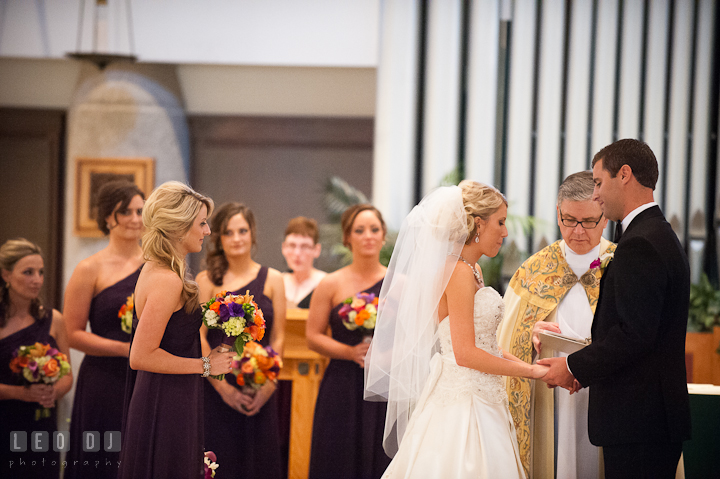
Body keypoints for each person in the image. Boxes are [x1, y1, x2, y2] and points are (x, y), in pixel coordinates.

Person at [365, 181, 549, 479]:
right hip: (464, 402)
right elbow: (465, 354)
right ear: (479, 224)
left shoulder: (472, 269)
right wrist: (530, 373)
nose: (505, 232)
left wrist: (532, 368)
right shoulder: (459, 272)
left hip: (484, 395)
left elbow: (487, 346)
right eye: (500, 222)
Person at [539, 139, 692, 478]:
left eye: (597, 182)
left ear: (624, 175)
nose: (595, 195)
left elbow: (634, 336)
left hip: (639, 422)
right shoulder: (657, 234)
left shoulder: (640, 243)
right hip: (649, 420)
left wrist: (573, 366)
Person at [498, 171, 613, 478]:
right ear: (558, 214)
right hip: (550, 392)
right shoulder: (534, 270)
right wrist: (530, 335)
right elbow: (504, 339)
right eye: (568, 220)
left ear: (605, 217)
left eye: (588, 221)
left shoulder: (623, 264)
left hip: (606, 387)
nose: (577, 231)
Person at [118, 181, 234, 479]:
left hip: (173, 393)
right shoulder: (166, 279)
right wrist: (207, 365)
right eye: (203, 223)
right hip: (164, 400)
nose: (208, 231)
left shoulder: (158, 268)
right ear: (178, 227)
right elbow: (141, 356)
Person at [197, 202, 286, 479]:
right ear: (218, 238)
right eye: (228, 232)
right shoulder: (206, 280)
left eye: (242, 231)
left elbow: (279, 337)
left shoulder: (274, 279)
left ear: (253, 234)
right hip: (215, 390)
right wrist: (221, 387)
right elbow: (197, 336)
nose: (236, 238)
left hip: (259, 387)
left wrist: (268, 385)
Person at [64, 180, 145, 479]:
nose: (136, 219)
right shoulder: (89, 269)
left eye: (140, 211)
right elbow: (72, 333)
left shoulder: (155, 265)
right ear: (108, 217)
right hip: (102, 379)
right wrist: (124, 349)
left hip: (142, 377)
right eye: (127, 212)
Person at [306, 203, 391, 479]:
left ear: (383, 236)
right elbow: (313, 336)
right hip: (341, 384)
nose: (368, 235)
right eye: (360, 230)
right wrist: (350, 351)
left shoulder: (399, 282)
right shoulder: (330, 283)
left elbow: (414, 338)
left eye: (374, 229)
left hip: (383, 387)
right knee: (336, 455)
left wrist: (386, 357)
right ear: (347, 238)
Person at [0, 239, 73, 479]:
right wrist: (20, 393)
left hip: (42, 425)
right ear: (6, 275)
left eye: (40, 272)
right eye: (28, 272)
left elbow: (68, 376)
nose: (37, 280)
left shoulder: (54, 320)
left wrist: (53, 392)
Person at [281, 216, 326, 309]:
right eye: (292, 245)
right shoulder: (277, 282)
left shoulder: (326, 283)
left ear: (317, 249)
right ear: (284, 248)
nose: (297, 253)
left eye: (305, 246)